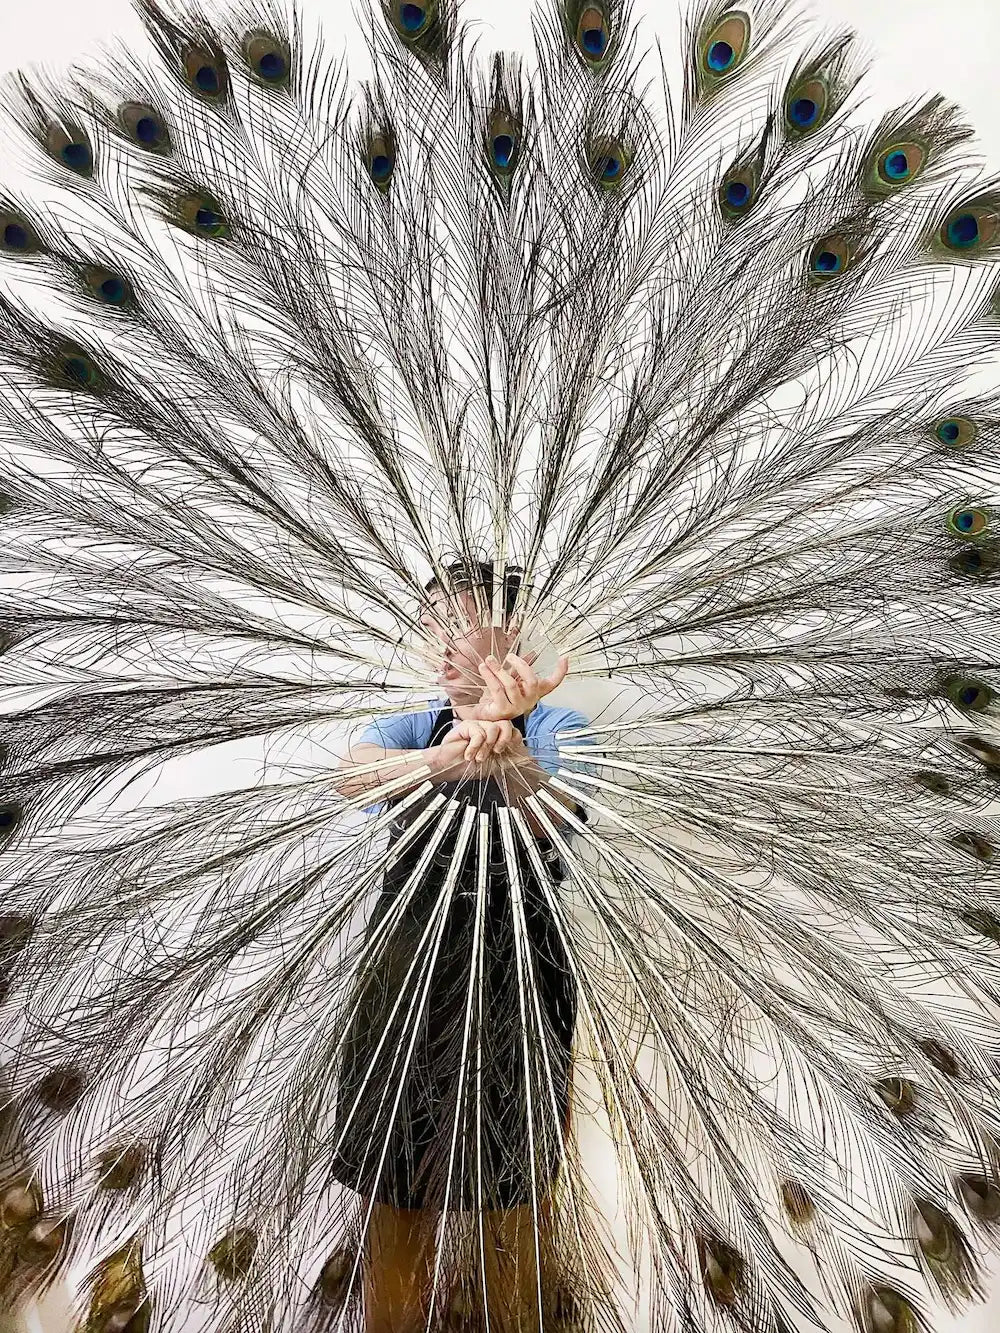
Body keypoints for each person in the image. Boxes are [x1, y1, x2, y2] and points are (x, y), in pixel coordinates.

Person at [330, 562, 592, 1333]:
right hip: (406, 974)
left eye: (461, 623)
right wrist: (445, 758)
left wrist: (511, 749)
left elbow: (559, 812)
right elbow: (353, 775)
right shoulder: (416, 726)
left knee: (512, 1189)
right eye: (433, 625)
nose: (442, 644)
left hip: (518, 976)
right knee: (393, 1177)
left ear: (509, 632)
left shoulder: (558, 728)